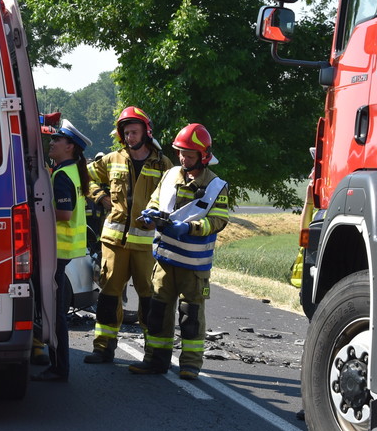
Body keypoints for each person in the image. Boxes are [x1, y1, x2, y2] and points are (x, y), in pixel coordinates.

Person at [129, 123, 229, 380]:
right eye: (181, 153)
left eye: (190, 154)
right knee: (158, 313)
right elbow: (155, 200)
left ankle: (191, 364)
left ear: (204, 156)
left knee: (190, 316)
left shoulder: (217, 186)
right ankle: (155, 360)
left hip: (194, 266)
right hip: (164, 260)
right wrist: (150, 215)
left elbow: (217, 221)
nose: (184, 158)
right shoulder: (171, 174)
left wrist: (189, 228)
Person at [83, 107, 173, 364]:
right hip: (114, 241)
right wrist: (99, 197)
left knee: (149, 299)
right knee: (109, 295)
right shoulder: (113, 159)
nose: (130, 137)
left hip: (146, 245)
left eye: (134, 132)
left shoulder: (163, 164)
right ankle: (103, 348)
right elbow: (85, 175)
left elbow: (174, 197)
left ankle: (153, 353)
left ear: (147, 131)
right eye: (126, 133)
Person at [32, 118, 92, 382]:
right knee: (54, 312)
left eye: (57, 139)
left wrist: (36, 213)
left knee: (55, 315)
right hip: (64, 252)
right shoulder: (71, 171)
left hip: (58, 250)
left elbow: (65, 214)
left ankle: (59, 368)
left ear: (70, 147)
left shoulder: (62, 175)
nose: (52, 143)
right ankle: (58, 366)